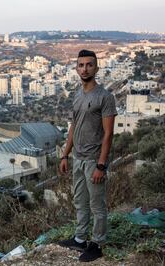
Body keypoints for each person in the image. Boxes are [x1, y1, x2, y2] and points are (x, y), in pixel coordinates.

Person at [58, 49, 117, 262]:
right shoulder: (77, 94)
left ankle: (98, 243)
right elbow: (73, 126)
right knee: (80, 202)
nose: (85, 69)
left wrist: (101, 165)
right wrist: (65, 155)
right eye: (81, 65)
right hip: (78, 159)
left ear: (97, 68)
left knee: (97, 205)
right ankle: (80, 238)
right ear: (76, 68)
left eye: (89, 64)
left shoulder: (105, 97)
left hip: (94, 160)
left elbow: (109, 133)